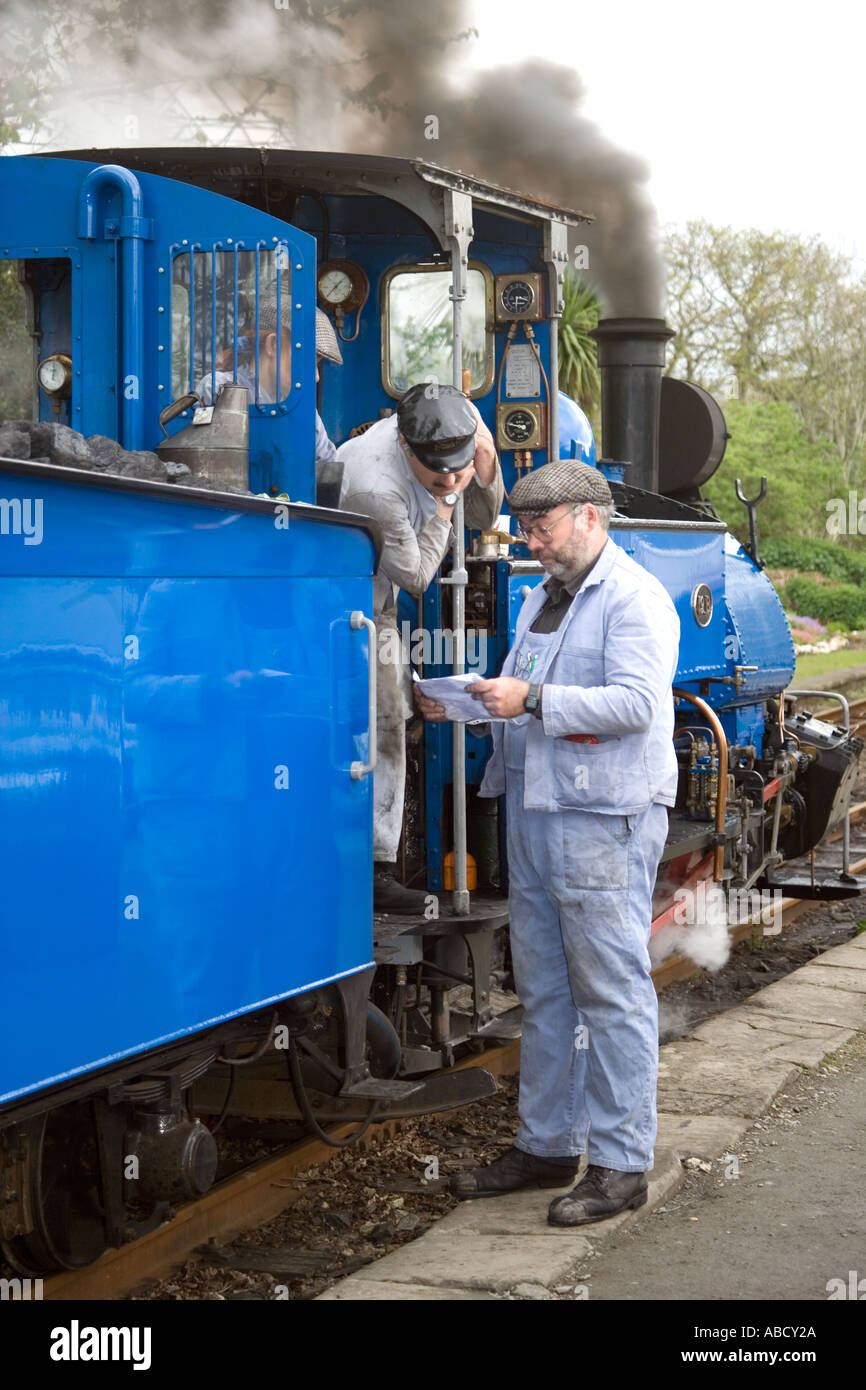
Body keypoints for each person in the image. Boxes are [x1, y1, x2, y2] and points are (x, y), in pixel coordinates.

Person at [416, 460, 680, 1225]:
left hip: (602, 820)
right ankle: (548, 1146)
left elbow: (635, 703)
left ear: (591, 519)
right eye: (527, 529)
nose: (532, 544)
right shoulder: (544, 598)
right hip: (538, 814)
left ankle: (624, 1164)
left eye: (544, 528)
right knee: (546, 990)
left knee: (611, 990)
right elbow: (522, 694)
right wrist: (469, 706)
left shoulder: (634, 599)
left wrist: (529, 698)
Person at [337, 384, 504, 912]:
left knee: (399, 714)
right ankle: (375, 870)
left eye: (459, 467)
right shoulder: (374, 485)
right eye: (439, 474)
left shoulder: (464, 422)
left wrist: (488, 466)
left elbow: (480, 516)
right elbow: (415, 575)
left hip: (377, 592)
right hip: (349, 598)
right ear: (409, 450)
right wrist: (447, 503)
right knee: (387, 717)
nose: (451, 480)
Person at [196, 304, 341, 462]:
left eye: (317, 364)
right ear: (273, 345)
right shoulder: (217, 388)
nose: (316, 377)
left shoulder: (304, 409)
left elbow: (329, 470)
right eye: (308, 360)